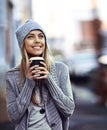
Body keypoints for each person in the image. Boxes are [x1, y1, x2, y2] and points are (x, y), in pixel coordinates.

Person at [5, 19, 75, 130]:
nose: (37, 40)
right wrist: (28, 83)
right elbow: (13, 117)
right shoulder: (12, 76)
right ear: (23, 43)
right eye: (31, 37)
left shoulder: (60, 69)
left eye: (41, 36)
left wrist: (49, 79)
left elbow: (69, 110)